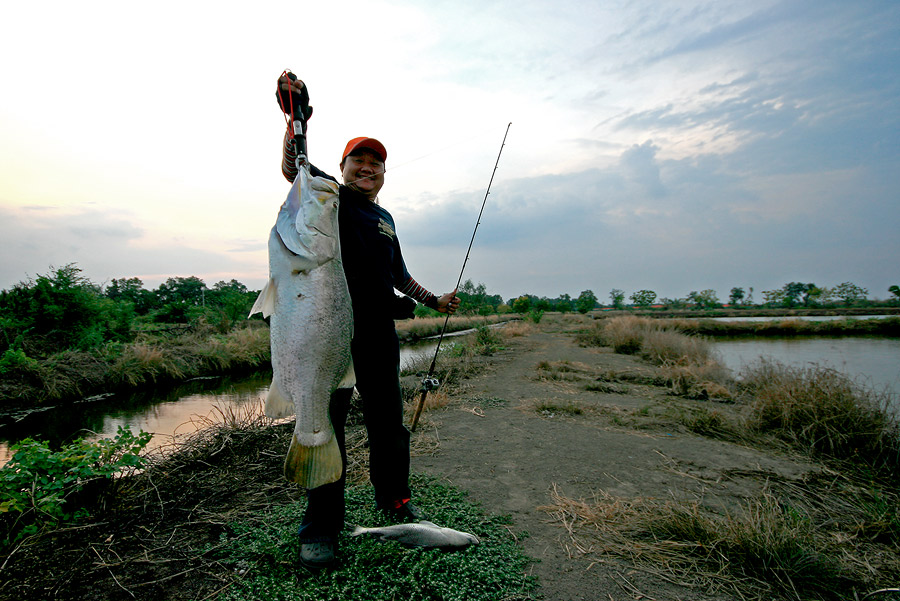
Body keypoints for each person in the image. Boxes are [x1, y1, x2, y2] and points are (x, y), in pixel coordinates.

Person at [276, 73, 460, 569]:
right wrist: (296, 118)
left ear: (384, 173)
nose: (367, 167)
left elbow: (396, 273)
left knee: (389, 426)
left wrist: (433, 300)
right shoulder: (329, 200)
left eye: (375, 162)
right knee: (324, 426)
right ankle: (321, 527)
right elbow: (294, 167)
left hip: (378, 335)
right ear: (343, 168)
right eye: (358, 160)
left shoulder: (386, 220)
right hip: (330, 333)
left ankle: (394, 500)